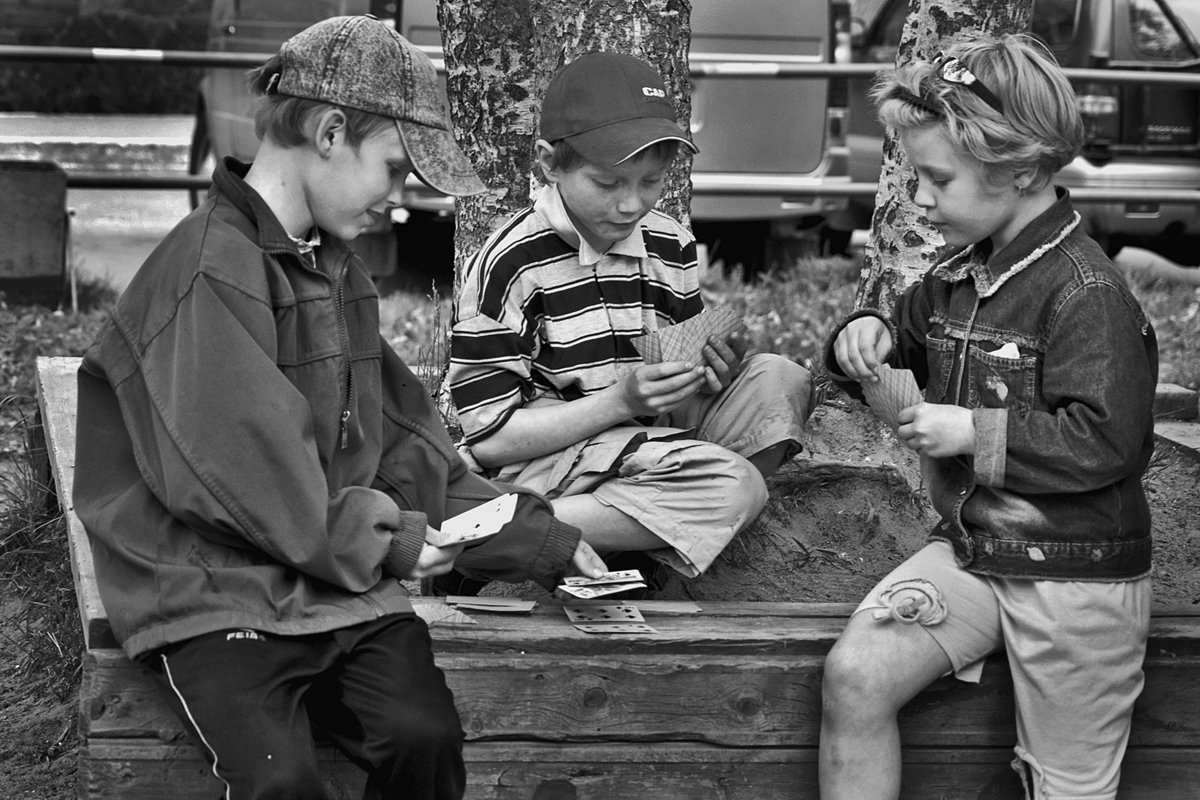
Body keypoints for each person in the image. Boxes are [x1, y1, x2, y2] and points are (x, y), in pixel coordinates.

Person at [72, 16, 603, 800]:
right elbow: (252, 480)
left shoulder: (333, 267)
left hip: (328, 579)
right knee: (281, 781)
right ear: (328, 133)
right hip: (208, 588)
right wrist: (390, 541)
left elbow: (400, 439)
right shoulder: (210, 270)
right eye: (394, 168)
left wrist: (533, 538)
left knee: (423, 738)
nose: (398, 197)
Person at [819, 33, 1158, 800]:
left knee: (1066, 785)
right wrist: (859, 337)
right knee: (855, 677)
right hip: (976, 553)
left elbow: (1105, 443)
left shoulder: (1086, 295)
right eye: (916, 176)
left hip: (1077, 580)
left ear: (1023, 170)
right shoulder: (952, 278)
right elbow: (892, 345)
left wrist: (973, 432)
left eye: (938, 178)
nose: (920, 197)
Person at [447, 50, 816, 583]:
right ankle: (500, 532)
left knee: (781, 378)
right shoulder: (511, 265)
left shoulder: (671, 243)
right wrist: (621, 401)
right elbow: (490, 438)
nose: (631, 204)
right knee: (734, 486)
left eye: (651, 181)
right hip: (552, 459)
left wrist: (710, 370)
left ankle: (636, 535)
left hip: (644, 441)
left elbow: (681, 376)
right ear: (549, 164)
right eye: (607, 183)